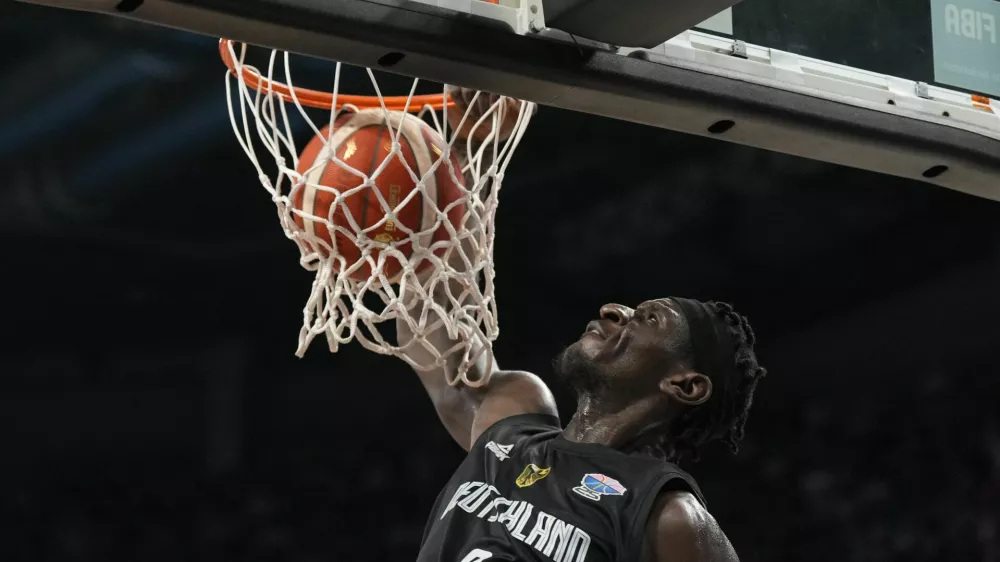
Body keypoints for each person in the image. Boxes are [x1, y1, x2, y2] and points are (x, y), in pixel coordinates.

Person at [397, 292, 766, 562]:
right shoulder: (511, 422)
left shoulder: (667, 517)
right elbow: (431, 336)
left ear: (685, 384)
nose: (612, 310)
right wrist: (430, 238)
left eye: (650, 319)